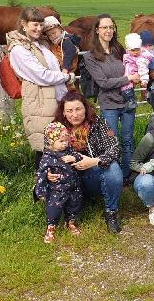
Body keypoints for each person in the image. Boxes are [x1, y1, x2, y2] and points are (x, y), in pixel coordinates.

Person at [52, 90, 124, 233]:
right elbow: (47, 155)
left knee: (114, 169)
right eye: (70, 111)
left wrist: (94, 161)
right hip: (68, 178)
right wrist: (48, 172)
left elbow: (115, 148)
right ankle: (61, 215)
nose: (75, 114)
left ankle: (111, 212)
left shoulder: (97, 123)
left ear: (85, 108)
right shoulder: (56, 128)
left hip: (91, 175)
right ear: (64, 112)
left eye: (78, 109)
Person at [7, 8, 75, 159]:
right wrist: (67, 77)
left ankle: (65, 180)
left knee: (62, 144)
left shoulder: (40, 44)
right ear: (23, 24)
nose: (39, 29)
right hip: (40, 102)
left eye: (40, 25)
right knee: (45, 148)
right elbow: (41, 75)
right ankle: (43, 181)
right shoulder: (19, 49)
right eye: (34, 25)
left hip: (56, 99)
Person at [83, 14, 141, 181]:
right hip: (109, 105)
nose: (108, 30)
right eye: (104, 27)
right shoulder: (90, 56)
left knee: (128, 140)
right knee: (111, 142)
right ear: (97, 30)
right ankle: (113, 176)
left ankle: (126, 175)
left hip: (127, 101)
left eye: (111, 27)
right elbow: (103, 82)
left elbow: (132, 64)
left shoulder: (119, 49)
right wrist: (129, 78)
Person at [35, 122, 84, 243]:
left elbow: (79, 156)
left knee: (74, 205)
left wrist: (74, 158)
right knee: (54, 208)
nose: (65, 144)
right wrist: (40, 192)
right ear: (51, 142)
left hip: (73, 186)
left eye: (66, 140)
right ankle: (51, 228)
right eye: (61, 141)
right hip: (58, 189)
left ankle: (70, 223)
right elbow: (41, 174)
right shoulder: (47, 157)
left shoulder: (69, 150)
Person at [122, 32, 151, 109]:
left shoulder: (141, 59)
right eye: (133, 50)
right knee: (127, 87)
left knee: (128, 87)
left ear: (140, 48)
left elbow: (143, 69)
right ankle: (129, 100)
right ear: (128, 50)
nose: (135, 52)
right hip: (129, 75)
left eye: (137, 50)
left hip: (137, 75)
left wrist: (144, 80)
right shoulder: (128, 55)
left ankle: (131, 101)